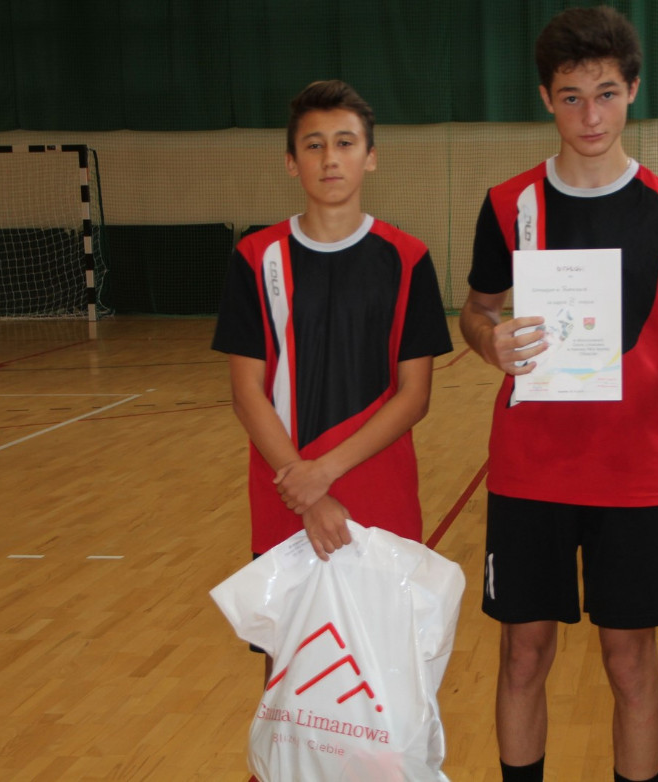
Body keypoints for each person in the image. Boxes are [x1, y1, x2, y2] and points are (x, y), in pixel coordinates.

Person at [458, 8, 658, 782]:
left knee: (631, 662)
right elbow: (475, 310)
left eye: (607, 94)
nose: (591, 116)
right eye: (572, 97)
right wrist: (489, 341)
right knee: (523, 655)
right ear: (545, 99)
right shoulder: (506, 203)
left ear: (634, 91)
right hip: (528, 469)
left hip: (631, 474)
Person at [211, 80, 453, 677]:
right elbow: (246, 393)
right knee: (289, 681)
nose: (330, 158)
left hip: (378, 494)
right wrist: (309, 491)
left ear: (370, 156)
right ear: (292, 162)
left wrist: (323, 476)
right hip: (286, 495)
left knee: (382, 679)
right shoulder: (255, 258)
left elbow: (415, 395)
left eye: (345, 143)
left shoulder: (408, 257)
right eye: (313, 145)